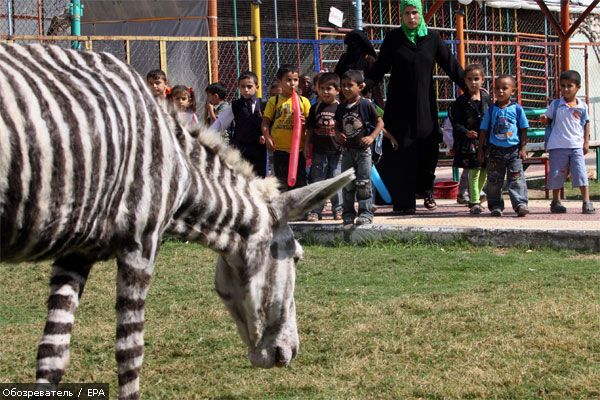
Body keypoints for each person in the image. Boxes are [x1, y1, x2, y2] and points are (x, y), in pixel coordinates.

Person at [364, 0, 466, 215]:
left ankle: (427, 190)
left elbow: (451, 66)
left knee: (427, 148)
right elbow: (380, 68)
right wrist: (364, 87)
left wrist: (471, 88)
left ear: (420, 14)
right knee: (401, 151)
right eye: (407, 13)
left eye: (415, 13)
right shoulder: (393, 39)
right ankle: (404, 202)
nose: (411, 17)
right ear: (402, 15)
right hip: (399, 106)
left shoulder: (432, 39)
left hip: (424, 105)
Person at [540, 70, 596, 214]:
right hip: (558, 145)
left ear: (578, 87)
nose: (565, 89)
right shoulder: (556, 104)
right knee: (557, 173)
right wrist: (544, 119)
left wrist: (586, 142)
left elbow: (586, 123)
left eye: (569, 86)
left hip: (576, 145)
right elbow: (548, 118)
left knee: (580, 172)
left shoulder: (582, 105)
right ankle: (556, 201)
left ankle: (586, 201)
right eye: (563, 86)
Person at [335, 69, 384, 227]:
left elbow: (380, 123)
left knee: (363, 183)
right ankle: (348, 213)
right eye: (343, 85)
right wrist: (338, 135)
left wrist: (371, 137)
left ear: (360, 86)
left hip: (363, 152)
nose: (346, 88)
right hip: (347, 151)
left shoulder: (365, 104)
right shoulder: (341, 107)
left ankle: (366, 212)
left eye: (350, 85)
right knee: (347, 184)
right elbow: (336, 126)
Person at [478, 74, 530, 217]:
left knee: (516, 178)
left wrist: (523, 147)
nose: (500, 91)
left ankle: (520, 204)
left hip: (514, 151)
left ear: (512, 91)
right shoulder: (491, 110)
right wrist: (481, 149)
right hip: (495, 151)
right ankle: (495, 205)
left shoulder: (517, 109)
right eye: (497, 88)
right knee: (494, 180)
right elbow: (483, 129)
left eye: (504, 88)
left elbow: (524, 128)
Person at [449, 63, 492, 214]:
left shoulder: (487, 98)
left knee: (485, 170)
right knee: (473, 170)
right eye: (469, 79)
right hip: (470, 143)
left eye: (476, 78)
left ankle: (478, 196)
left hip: (485, 141)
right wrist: (466, 132)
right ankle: (474, 201)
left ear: (482, 80)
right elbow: (456, 123)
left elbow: (491, 117)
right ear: (465, 81)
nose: (473, 82)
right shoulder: (460, 102)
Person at [261, 64, 311, 192]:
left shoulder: (303, 101)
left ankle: (300, 210)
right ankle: (284, 209)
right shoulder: (274, 101)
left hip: (299, 149)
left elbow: (310, 126)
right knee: (281, 181)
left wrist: (306, 124)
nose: (292, 83)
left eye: (295, 80)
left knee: (300, 180)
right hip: (280, 149)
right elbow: (265, 123)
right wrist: (268, 138)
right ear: (280, 82)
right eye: (288, 80)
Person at [210, 71, 267, 177]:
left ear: (257, 87)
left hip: (258, 149)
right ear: (239, 87)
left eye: (249, 86)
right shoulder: (235, 105)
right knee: (240, 177)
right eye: (243, 86)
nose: (246, 90)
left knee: (259, 177)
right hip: (240, 148)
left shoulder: (264, 104)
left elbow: (269, 124)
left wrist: (266, 136)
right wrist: (207, 138)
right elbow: (220, 123)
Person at [304, 72, 343, 221]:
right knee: (317, 180)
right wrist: (307, 145)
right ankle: (315, 210)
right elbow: (310, 130)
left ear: (337, 90)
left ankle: (338, 209)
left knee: (335, 179)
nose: (325, 92)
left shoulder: (341, 108)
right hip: (319, 152)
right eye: (322, 88)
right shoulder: (315, 108)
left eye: (329, 88)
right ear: (317, 90)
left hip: (337, 151)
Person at [334, 29, 384, 107]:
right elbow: (337, 76)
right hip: (345, 99)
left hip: (366, 100)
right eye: (349, 45)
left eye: (355, 45)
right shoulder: (344, 58)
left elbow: (375, 78)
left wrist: (364, 85)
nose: (352, 47)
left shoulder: (369, 60)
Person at [441, 117, 470, 204]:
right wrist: (452, 146)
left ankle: (464, 193)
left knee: (472, 168)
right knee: (470, 167)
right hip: (464, 144)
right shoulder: (455, 110)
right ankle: (467, 193)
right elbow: (448, 130)